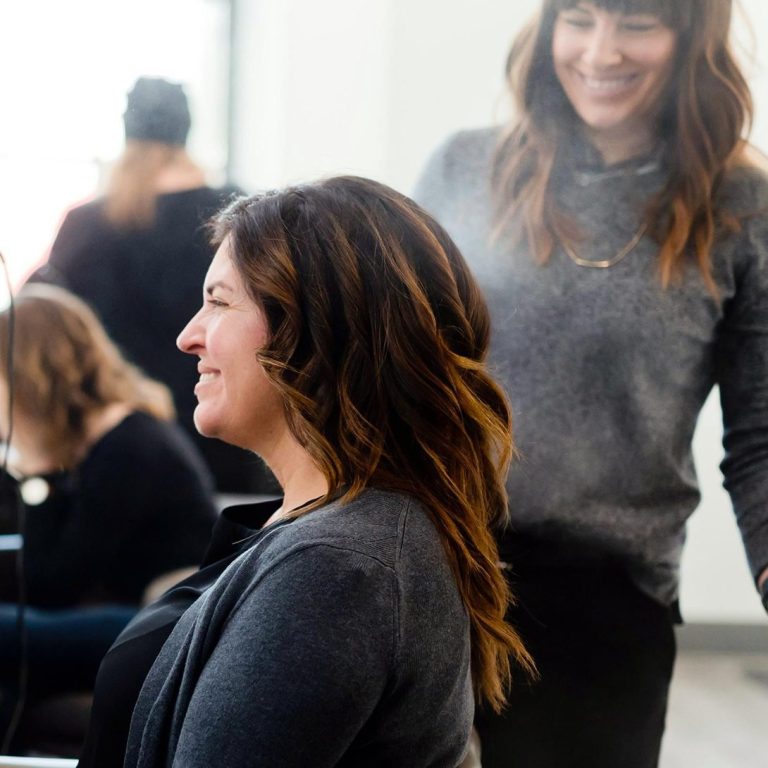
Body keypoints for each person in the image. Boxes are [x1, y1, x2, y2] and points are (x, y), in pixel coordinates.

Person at [75, 176, 534, 768]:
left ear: (315, 330)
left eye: (219, 302)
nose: (189, 337)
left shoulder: (336, 572)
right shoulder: (336, 538)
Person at [413, 0, 768, 765]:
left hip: (606, 608)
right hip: (436, 570)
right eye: (579, 18)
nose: (601, 52)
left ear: (691, 38)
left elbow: (761, 436)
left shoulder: (744, 206)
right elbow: (393, 370)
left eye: (637, 23)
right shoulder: (462, 168)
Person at [29, 76, 273, 495]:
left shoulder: (86, 226)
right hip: (226, 437)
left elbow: (39, 326)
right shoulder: (236, 217)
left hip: (117, 450)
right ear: (186, 133)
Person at [0, 284, 217, 738]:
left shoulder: (128, 448)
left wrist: (36, 476)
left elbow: (52, 583)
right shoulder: (103, 440)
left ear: (28, 378)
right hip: (136, 612)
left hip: (163, 625)